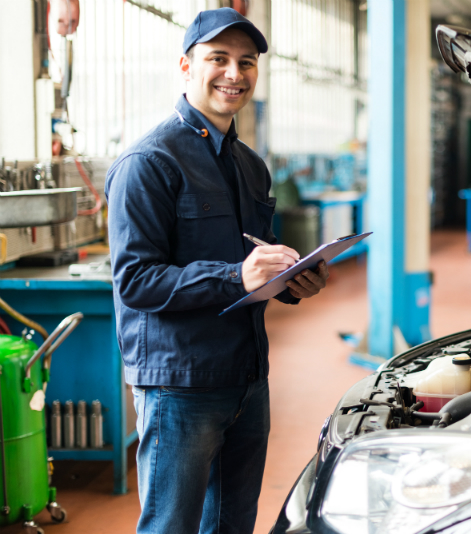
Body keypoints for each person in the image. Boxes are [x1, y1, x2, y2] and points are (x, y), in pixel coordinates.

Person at [104, 8, 329, 534]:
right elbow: (135, 281)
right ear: (186, 66)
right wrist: (234, 276)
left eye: (246, 62)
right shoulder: (149, 163)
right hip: (181, 385)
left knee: (233, 523)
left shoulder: (250, 164)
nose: (235, 73)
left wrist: (294, 281)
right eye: (218, 59)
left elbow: (258, 257)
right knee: (171, 525)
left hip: (248, 379)